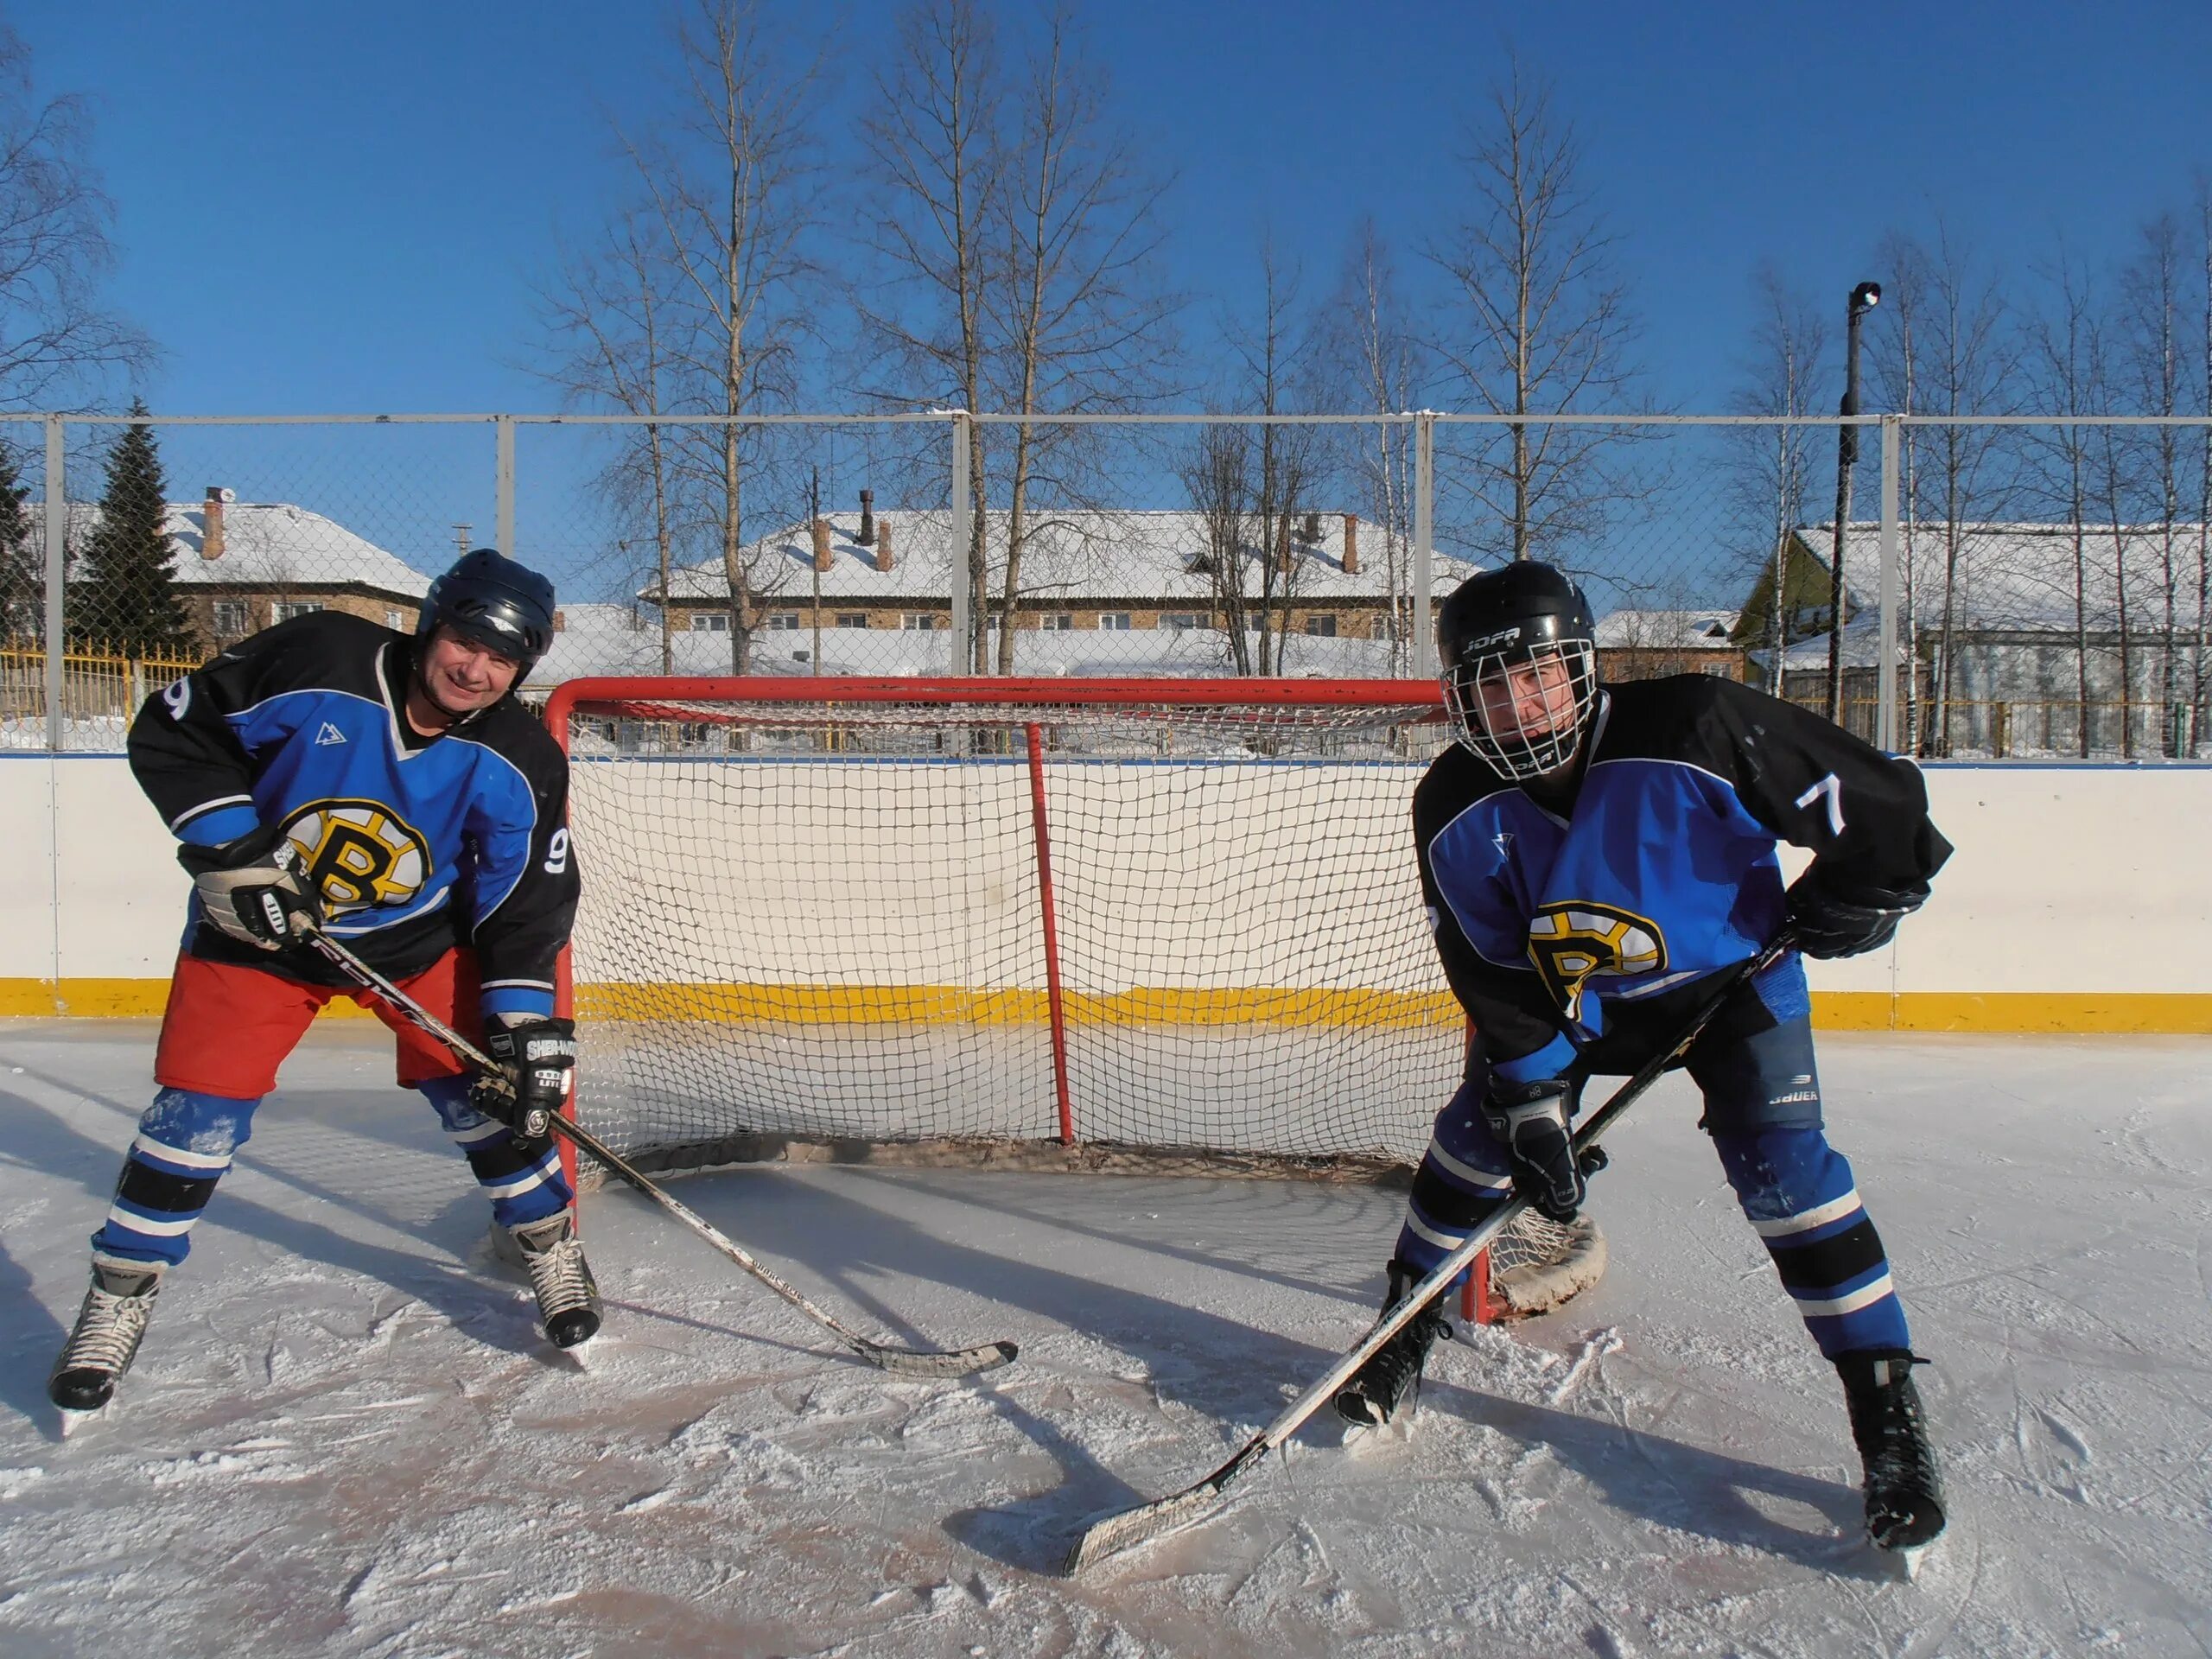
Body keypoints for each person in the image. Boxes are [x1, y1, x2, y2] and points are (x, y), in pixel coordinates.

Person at [1333, 561, 1952, 1557]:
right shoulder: (1451, 804)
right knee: (1473, 1142)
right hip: (1572, 1005)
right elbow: (1491, 970)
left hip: (1732, 988)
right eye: (1490, 682)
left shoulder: (1698, 724)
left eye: (1536, 673)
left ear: (1582, 666)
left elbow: (1876, 803)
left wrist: (1874, 889)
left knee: (1788, 1177)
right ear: (1460, 695)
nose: (1517, 701)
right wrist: (1533, 1101)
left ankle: (1883, 1404)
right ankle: (1404, 1318)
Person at [48, 549, 596, 1418]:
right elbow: (175, 729)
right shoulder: (316, 659)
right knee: (196, 1117)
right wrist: (234, 849)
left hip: (414, 946)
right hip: (258, 937)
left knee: (491, 1097)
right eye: (466, 640)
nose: (476, 668)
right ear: (431, 623)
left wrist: (521, 1019)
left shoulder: (518, 753)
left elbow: (524, 892)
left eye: (503, 657)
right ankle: (119, 1296)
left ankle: (548, 1242)